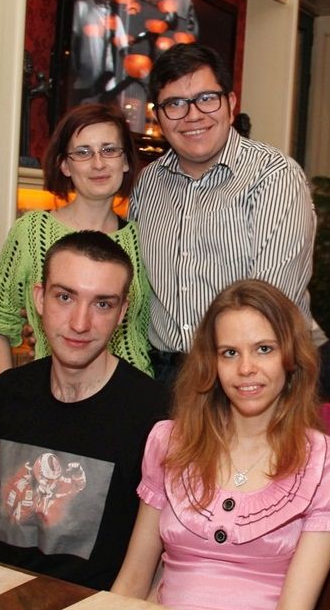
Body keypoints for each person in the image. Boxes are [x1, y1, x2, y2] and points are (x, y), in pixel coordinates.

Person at [112, 280, 330, 610]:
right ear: (211, 363)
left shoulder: (326, 465)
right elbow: (132, 581)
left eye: (264, 349)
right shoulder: (169, 442)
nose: (246, 368)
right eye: (230, 353)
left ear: (291, 357)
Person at [0, 232, 169, 589]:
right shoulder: (8, 392)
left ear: (122, 313)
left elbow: (152, 568)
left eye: (102, 304)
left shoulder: (153, 412)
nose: (80, 323)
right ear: (39, 298)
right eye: (65, 297)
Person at [130, 43, 317, 385]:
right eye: (175, 104)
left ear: (230, 104)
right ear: (158, 115)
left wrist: (227, 366)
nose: (192, 115)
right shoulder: (148, 183)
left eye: (206, 98)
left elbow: (271, 300)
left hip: (250, 373)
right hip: (163, 375)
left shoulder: (274, 175)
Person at [0, 103, 153, 379]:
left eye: (109, 150)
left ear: (126, 161)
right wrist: (8, 395)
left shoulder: (144, 239)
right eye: (83, 152)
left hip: (133, 394)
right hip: (56, 392)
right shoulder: (31, 232)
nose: (98, 163)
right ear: (65, 165)